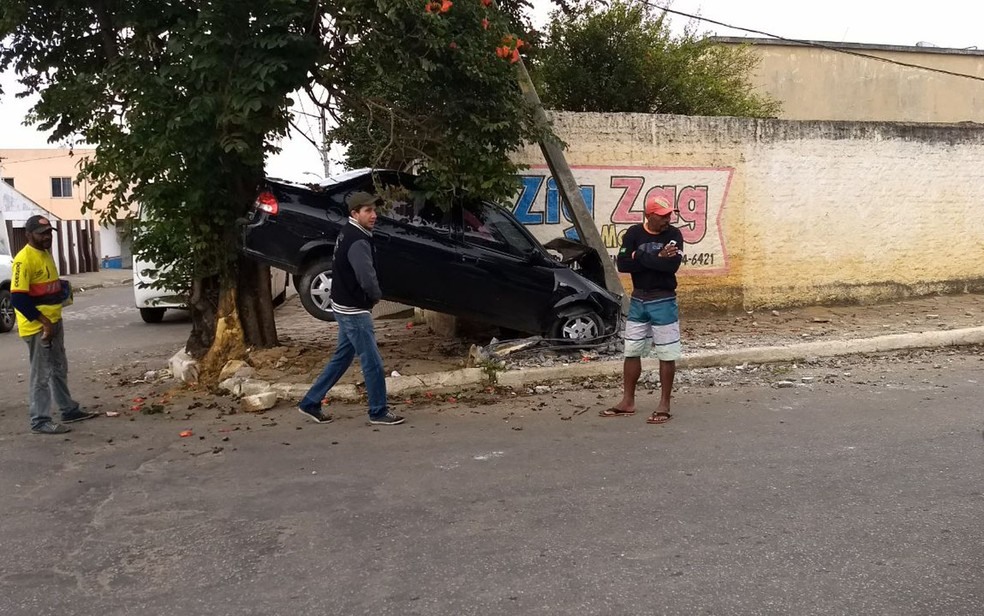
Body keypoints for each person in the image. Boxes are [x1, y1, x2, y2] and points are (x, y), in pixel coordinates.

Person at [297, 192, 405, 426]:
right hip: (353, 309)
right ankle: (378, 411)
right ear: (354, 213)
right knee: (373, 362)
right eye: (367, 211)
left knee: (342, 358)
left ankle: (310, 402)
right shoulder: (357, 239)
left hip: (343, 305)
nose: (373, 215)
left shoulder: (351, 232)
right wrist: (375, 296)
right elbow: (366, 276)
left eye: (374, 210)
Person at [600, 197, 684, 425]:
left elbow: (671, 266)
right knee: (632, 350)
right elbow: (623, 264)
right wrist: (656, 257)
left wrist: (640, 256)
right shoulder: (633, 233)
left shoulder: (674, 235)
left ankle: (664, 404)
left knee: (666, 354)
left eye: (669, 215)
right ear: (649, 215)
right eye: (663, 215)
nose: (668, 219)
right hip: (638, 300)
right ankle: (628, 401)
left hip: (664, 300)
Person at [11, 215, 98, 434]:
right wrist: (45, 323)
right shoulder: (24, 259)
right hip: (38, 327)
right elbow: (18, 299)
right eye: (42, 234)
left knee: (59, 367)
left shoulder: (46, 254)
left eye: (49, 232)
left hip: (54, 321)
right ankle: (40, 420)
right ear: (28, 235)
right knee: (41, 374)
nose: (47, 237)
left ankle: (68, 409)